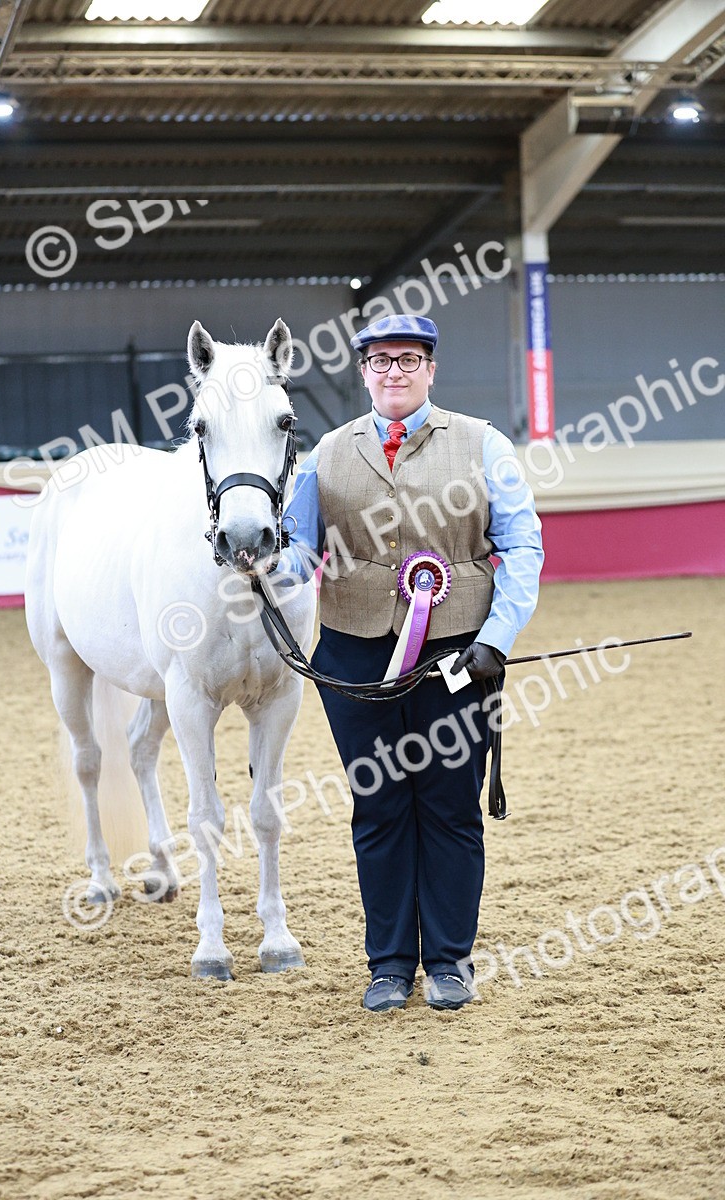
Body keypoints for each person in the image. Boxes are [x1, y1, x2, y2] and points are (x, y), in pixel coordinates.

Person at [277, 313, 543, 1012]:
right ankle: (390, 964)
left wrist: (497, 639)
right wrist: (266, 561)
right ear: (363, 372)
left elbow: (522, 545)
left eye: (408, 359)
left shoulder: (484, 444)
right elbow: (299, 552)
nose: (393, 372)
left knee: (450, 805)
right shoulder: (325, 453)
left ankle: (450, 961)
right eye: (380, 361)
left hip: (460, 652)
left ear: (430, 368)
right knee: (379, 805)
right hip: (354, 654)